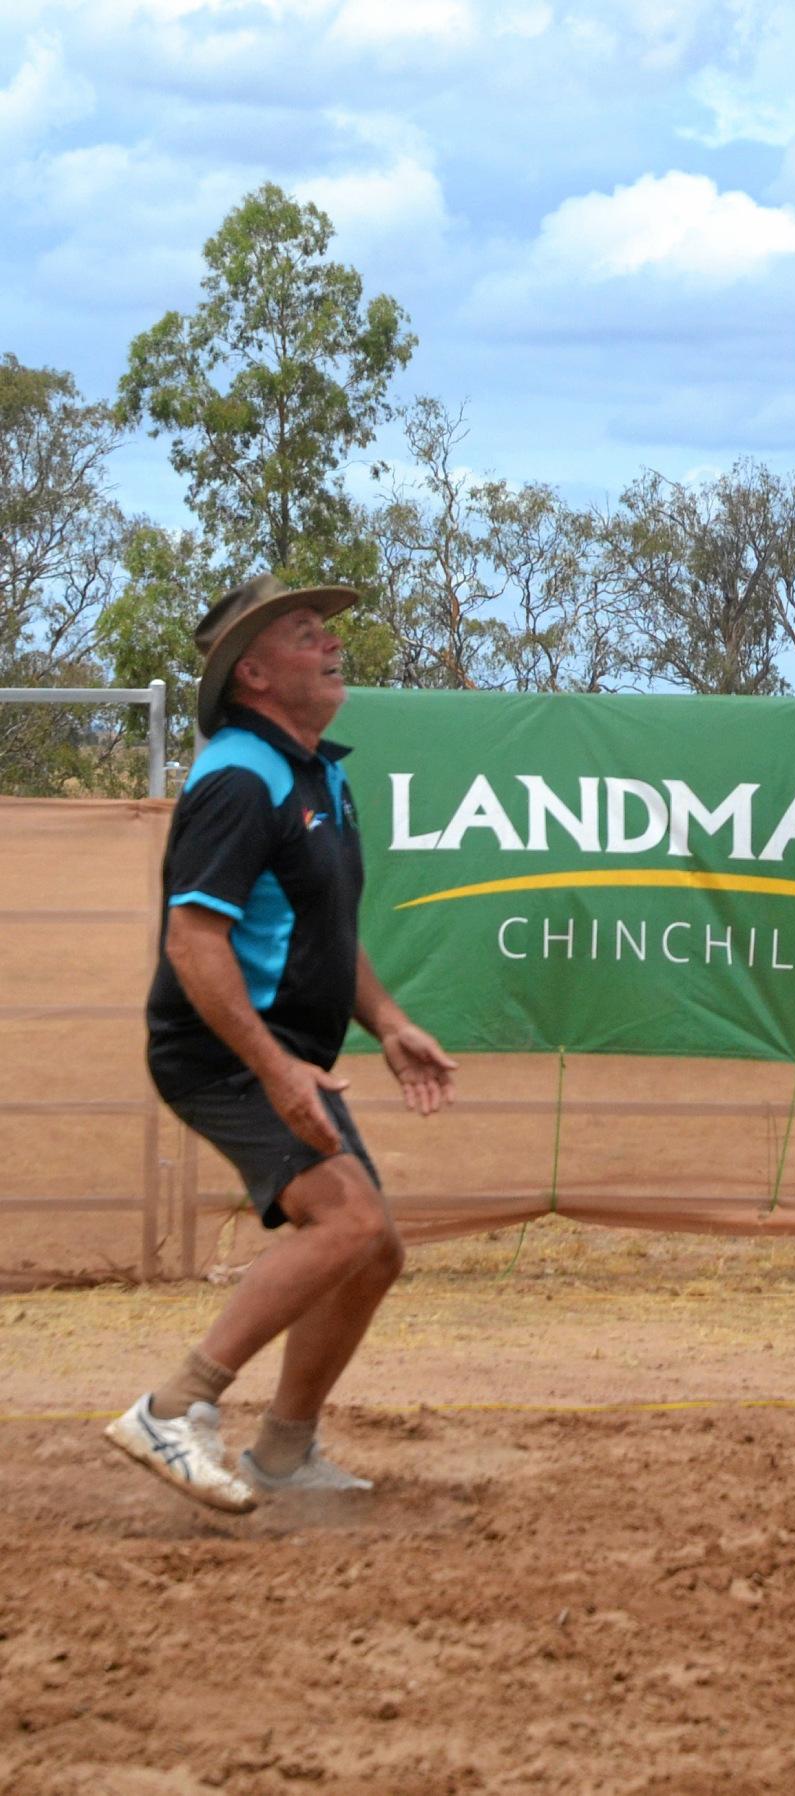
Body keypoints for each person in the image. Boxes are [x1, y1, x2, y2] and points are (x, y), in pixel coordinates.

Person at [105, 575, 457, 1512]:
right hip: (221, 1050)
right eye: (305, 635)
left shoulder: (319, 773)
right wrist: (276, 1068)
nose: (330, 643)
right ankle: (173, 1409)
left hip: (281, 1053)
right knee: (343, 1223)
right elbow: (194, 941)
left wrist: (386, 1022)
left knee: (372, 1248)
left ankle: (284, 1454)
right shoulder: (237, 775)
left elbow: (326, 929)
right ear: (253, 674)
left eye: (323, 632)